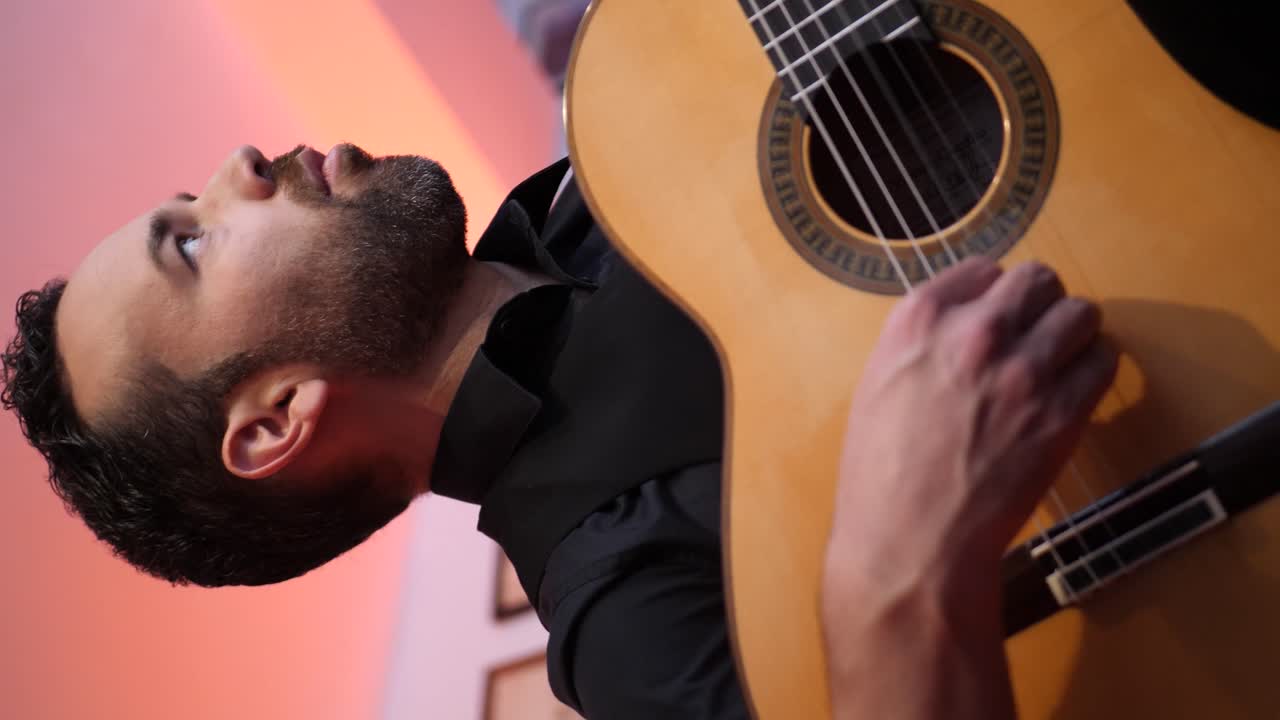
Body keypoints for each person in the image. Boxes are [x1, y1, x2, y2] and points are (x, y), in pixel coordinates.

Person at [1, 143, 1114, 719]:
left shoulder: (630, 116)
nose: (235, 166)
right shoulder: (626, 612)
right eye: (192, 245)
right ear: (278, 421)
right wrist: (896, 573)